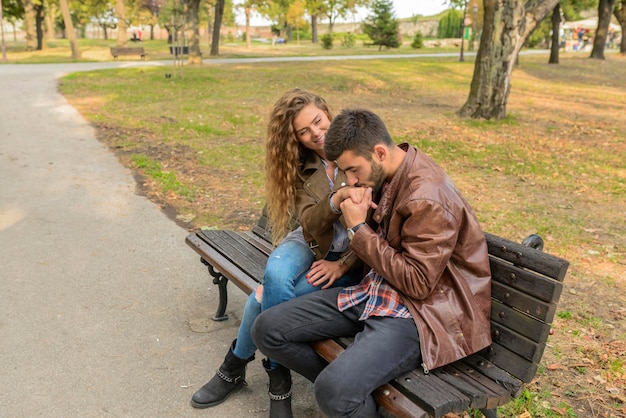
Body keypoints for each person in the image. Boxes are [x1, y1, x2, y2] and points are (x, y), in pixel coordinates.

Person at [252, 108, 492, 417]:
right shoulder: (389, 169)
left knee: (333, 391)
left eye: (353, 170)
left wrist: (357, 229)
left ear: (379, 152)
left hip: (420, 314)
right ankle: (351, 392)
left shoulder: (427, 198)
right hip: (374, 291)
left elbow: (418, 284)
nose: (350, 181)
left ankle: (344, 391)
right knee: (268, 328)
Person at [190, 89, 362, 416]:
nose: (316, 134)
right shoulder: (302, 164)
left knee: (260, 298)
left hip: (348, 258)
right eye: (304, 131)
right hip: (312, 241)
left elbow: (374, 228)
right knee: (277, 273)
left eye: (318, 121)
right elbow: (310, 224)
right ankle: (276, 373)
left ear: (328, 112)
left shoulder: (357, 146)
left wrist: (341, 265)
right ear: (296, 137)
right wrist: (334, 201)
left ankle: (242, 368)